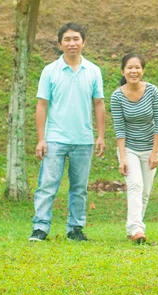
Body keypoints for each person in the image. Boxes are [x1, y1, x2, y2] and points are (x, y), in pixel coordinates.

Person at [29, 22, 106, 242]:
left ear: (83, 42)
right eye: (67, 39)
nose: (72, 43)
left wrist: (100, 136)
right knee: (47, 185)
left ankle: (75, 228)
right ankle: (40, 227)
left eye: (76, 39)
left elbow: (99, 103)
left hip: (83, 140)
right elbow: (41, 105)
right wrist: (41, 139)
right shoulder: (50, 71)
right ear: (60, 43)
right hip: (54, 139)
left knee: (79, 188)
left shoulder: (93, 71)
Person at [110, 53, 158, 244]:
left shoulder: (152, 91)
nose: (134, 71)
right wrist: (122, 157)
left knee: (146, 191)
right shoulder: (117, 96)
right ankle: (138, 229)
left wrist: (155, 151)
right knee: (135, 185)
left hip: (150, 147)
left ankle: (132, 228)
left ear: (143, 70)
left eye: (137, 67)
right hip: (129, 148)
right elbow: (119, 128)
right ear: (122, 71)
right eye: (129, 68)